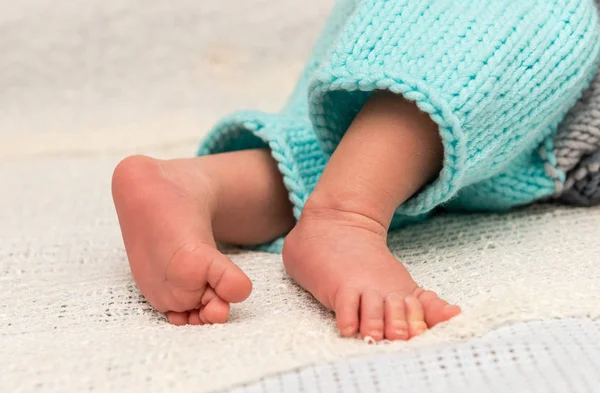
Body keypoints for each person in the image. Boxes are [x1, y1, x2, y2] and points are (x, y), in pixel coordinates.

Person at [111, 0, 600, 342]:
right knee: (532, 21)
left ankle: (202, 187)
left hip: (522, 151)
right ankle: (345, 215)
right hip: (467, 44)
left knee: (361, 163)